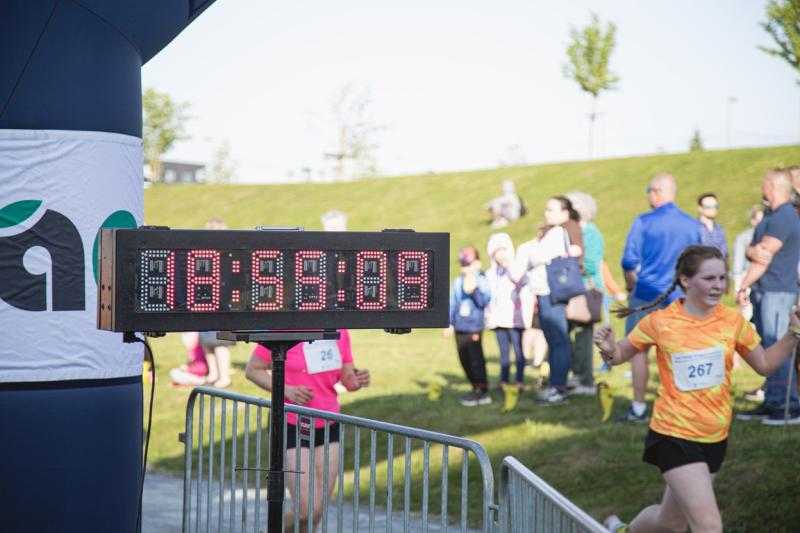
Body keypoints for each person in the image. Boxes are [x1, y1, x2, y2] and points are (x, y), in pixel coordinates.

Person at [594, 245, 800, 533]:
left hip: (715, 435)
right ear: (686, 280)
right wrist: (607, 348)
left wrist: (793, 332)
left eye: (722, 278)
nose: (718, 286)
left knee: (670, 522)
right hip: (673, 434)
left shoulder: (732, 321)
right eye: (709, 278)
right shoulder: (661, 322)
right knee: (709, 526)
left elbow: (764, 364)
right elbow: (619, 354)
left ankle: (623, 531)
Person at [245, 330, 370, 532]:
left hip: (329, 424)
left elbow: (346, 375)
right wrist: (287, 390)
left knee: (316, 512)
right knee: (306, 510)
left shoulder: (340, 330)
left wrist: (356, 380)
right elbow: (253, 369)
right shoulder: (287, 328)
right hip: (292, 423)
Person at [619, 173, 703, 422]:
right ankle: (682, 408)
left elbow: (629, 261)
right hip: (680, 297)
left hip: (646, 294)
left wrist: (631, 286)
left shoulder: (644, 222)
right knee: (681, 353)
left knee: (638, 351)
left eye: (649, 191)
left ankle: (638, 408)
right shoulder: (692, 225)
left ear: (657, 192)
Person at [736, 168, 800, 425]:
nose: (761, 187)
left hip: (778, 290)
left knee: (777, 346)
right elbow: (756, 251)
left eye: (764, 183)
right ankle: (773, 400)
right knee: (768, 347)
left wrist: (743, 285)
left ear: (773, 186)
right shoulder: (773, 215)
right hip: (767, 290)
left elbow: (763, 255)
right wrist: (752, 251)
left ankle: (788, 406)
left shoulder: (784, 217)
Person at [518, 196, 582, 404]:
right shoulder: (554, 232)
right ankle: (557, 385)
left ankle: (558, 388)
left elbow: (536, 257)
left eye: (551, 210)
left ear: (565, 213)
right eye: (546, 209)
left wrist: (531, 252)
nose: (547, 213)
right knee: (555, 341)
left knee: (558, 341)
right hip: (546, 293)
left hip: (550, 293)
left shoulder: (557, 233)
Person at [484, 233, 533, 410]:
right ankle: (503, 381)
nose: (500, 255)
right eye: (496, 252)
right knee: (504, 353)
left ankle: (519, 380)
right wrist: (489, 317)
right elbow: (489, 297)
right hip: (498, 320)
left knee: (519, 352)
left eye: (502, 251)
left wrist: (509, 265)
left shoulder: (516, 269)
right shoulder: (491, 274)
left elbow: (522, 281)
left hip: (514, 319)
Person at [566, 191, 604, 395]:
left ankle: (586, 380)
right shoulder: (572, 231)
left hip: (586, 290)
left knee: (584, 337)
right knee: (571, 337)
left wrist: (567, 264)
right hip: (571, 289)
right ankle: (576, 374)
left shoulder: (592, 234)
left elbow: (591, 264)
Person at [447, 246, 492, 406]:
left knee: (475, 359)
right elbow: (452, 303)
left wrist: (474, 290)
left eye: (468, 264)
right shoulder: (457, 281)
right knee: (464, 358)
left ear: (477, 263)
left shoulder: (481, 280)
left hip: (474, 327)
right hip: (460, 326)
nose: (465, 268)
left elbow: (483, 301)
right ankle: (474, 387)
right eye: (463, 264)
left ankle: (482, 391)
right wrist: (449, 323)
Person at [732, 205, 764, 321]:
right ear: (753, 221)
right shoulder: (744, 238)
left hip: (766, 282)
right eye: (758, 220)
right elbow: (738, 265)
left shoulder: (771, 237)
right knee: (747, 315)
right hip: (747, 279)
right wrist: (738, 287)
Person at [696, 193, 727, 258]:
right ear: (700, 208)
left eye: (716, 206)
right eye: (709, 207)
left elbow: (724, 253)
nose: (713, 209)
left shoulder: (719, 229)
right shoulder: (694, 228)